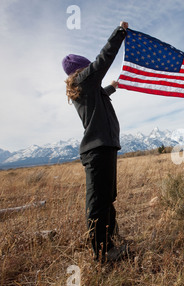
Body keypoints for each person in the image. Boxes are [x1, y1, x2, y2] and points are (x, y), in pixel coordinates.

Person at [62, 21, 129, 262]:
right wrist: (119, 33)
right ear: (81, 69)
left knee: (106, 198)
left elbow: (98, 101)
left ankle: (110, 242)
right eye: (88, 66)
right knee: (99, 203)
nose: (92, 68)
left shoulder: (88, 89)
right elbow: (104, 59)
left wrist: (111, 87)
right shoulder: (84, 80)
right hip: (98, 151)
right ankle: (103, 253)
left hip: (104, 149)